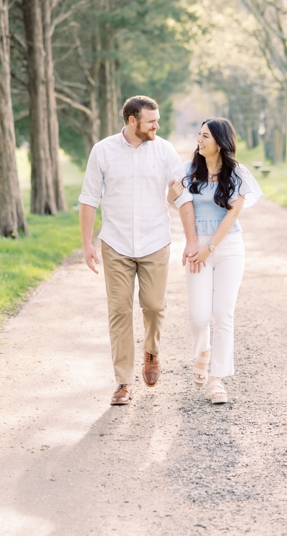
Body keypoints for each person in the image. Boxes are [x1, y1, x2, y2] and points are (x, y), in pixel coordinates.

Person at [77, 95, 196, 406]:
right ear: (132, 121)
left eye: (157, 120)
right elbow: (89, 198)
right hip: (115, 243)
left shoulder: (165, 150)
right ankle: (123, 382)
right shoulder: (103, 151)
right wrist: (88, 242)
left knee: (154, 306)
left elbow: (181, 196)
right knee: (119, 311)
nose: (157, 125)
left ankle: (152, 351)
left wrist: (191, 239)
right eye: (151, 121)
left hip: (155, 241)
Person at [170, 118, 262, 405]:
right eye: (199, 135)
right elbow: (175, 201)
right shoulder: (188, 170)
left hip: (228, 247)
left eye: (205, 136)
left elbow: (233, 215)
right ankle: (202, 353)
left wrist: (211, 247)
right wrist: (196, 243)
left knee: (223, 314)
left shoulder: (237, 174)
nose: (199, 140)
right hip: (199, 248)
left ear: (221, 142)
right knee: (198, 315)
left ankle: (217, 380)